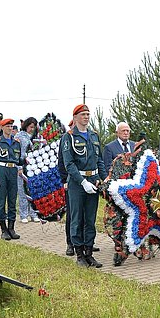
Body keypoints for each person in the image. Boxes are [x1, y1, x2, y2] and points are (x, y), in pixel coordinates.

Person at [62, 105, 107, 268]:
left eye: (88, 114)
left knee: (90, 219)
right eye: (83, 114)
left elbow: (99, 160)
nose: (86, 117)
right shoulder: (69, 137)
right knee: (76, 218)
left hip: (93, 181)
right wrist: (82, 182)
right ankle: (79, 254)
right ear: (75, 118)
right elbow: (69, 164)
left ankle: (89, 253)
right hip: (77, 183)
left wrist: (105, 179)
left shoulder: (94, 136)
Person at [0, 118, 22, 240]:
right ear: (2, 127)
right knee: (1, 201)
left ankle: (11, 228)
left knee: (12, 200)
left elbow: (18, 159)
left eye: (11, 126)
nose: (10, 128)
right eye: (7, 126)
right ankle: (3, 229)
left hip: (13, 171)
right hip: (1, 171)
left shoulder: (16, 142)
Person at [16, 117, 41, 223]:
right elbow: (17, 153)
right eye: (31, 127)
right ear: (26, 126)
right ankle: (23, 214)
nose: (32, 129)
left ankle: (34, 213)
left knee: (33, 191)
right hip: (23, 167)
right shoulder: (19, 136)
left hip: (34, 168)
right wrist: (19, 167)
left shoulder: (37, 137)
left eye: (34, 127)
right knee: (23, 191)